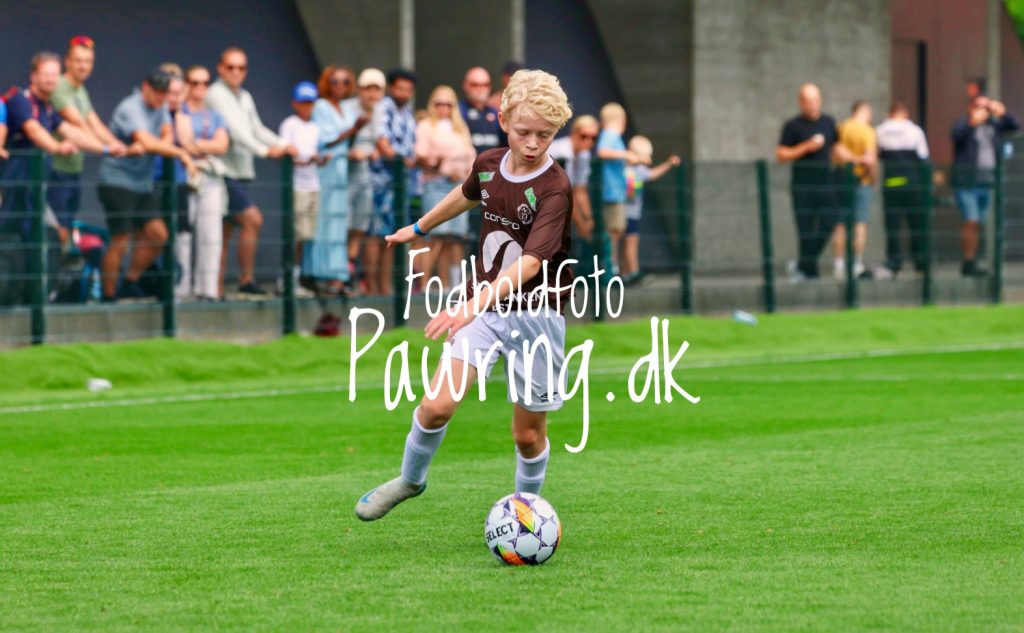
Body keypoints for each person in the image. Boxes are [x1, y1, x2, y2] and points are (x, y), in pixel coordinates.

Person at [355, 69, 575, 522]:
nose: (533, 144)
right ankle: (410, 480)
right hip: (484, 313)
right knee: (436, 406)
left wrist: (471, 303)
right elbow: (466, 193)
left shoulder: (555, 187)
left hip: (537, 316)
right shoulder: (489, 163)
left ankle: (525, 514)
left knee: (527, 436)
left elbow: (530, 263)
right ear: (503, 120)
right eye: (524, 132)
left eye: (545, 135)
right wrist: (419, 227)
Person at [0, 52, 107, 304]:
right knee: (13, 237)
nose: (50, 79)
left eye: (54, 75)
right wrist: (56, 147)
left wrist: (107, 148)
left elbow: (69, 131)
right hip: (14, 188)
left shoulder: (48, 108)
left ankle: (35, 297)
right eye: (45, 74)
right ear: (33, 75)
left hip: (36, 191)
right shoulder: (20, 100)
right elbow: (33, 130)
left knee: (48, 235)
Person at [98, 68, 197, 301]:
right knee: (121, 239)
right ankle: (108, 297)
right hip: (117, 182)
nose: (161, 97)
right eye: (157, 91)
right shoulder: (130, 108)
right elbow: (147, 141)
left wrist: (159, 144)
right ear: (145, 87)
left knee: (159, 234)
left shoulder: (161, 107)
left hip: (142, 185)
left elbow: (165, 133)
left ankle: (129, 282)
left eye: (164, 92)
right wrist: (180, 153)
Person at [206, 47, 297, 297]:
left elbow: (256, 128)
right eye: (231, 67)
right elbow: (236, 132)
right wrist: (264, 151)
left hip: (241, 171)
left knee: (224, 233)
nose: (236, 72)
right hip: (223, 171)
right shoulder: (215, 94)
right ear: (220, 68)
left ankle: (216, 290)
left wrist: (282, 144)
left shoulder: (244, 96)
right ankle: (243, 279)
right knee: (252, 220)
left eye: (241, 67)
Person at [776, 83, 859, 281]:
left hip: (825, 183)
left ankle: (802, 265)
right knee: (805, 229)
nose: (812, 104)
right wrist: (806, 147)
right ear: (801, 102)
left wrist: (857, 160)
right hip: (802, 185)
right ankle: (809, 272)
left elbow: (837, 147)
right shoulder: (792, 125)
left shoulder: (828, 122)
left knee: (830, 221)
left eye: (814, 100)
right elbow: (781, 154)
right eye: (808, 101)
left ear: (820, 101)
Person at [49, 35, 128, 232]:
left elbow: (95, 123)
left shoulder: (80, 89)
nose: (83, 66)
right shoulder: (59, 86)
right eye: (78, 61)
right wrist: (107, 148)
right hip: (56, 170)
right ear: (67, 62)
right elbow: (79, 123)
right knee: (58, 229)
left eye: (88, 61)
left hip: (74, 168)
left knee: (68, 226)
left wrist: (119, 146)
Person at [414, 85, 477, 290]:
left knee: (455, 238)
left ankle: (452, 285)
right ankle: (424, 285)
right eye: (438, 103)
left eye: (448, 104)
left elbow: (470, 154)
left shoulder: (460, 127)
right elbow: (421, 154)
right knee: (433, 235)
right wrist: (441, 165)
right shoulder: (426, 125)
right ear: (432, 105)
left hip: (460, 185)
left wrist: (467, 175)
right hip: (436, 184)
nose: (443, 107)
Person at [951, 94, 1020, 277]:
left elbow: (1015, 126)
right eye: (979, 106)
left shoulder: (993, 125)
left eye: (986, 107)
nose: (983, 111)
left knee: (978, 223)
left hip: (986, 181)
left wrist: (1002, 113)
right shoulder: (964, 123)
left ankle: (972, 260)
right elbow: (956, 135)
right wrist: (972, 122)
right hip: (967, 182)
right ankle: (968, 260)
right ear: (971, 107)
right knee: (971, 220)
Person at [177, 65, 230, 301]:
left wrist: (198, 145)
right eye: (195, 82)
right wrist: (203, 145)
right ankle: (181, 287)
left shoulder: (215, 115)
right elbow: (185, 141)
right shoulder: (180, 111)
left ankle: (207, 289)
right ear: (186, 85)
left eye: (205, 83)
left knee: (211, 236)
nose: (200, 87)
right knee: (183, 236)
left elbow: (222, 145)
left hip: (209, 178)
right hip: (184, 178)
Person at [311, 65, 364, 294]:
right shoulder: (321, 106)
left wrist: (355, 132)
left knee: (340, 223)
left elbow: (347, 142)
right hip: (327, 169)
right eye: (335, 81)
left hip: (343, 171)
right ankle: (321, 273)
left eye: (345, 81)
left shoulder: (345, 108)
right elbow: (327, 141)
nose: (340, 86)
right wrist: (353, 130)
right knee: (325, 221)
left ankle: (337, 275)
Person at [366, 68, 417, 296]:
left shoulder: (407, 112)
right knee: (375, 233)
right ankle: (372, 287)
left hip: (402, 182)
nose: (403, 93)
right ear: (391, 88)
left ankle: (385, 287)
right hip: (382, 180)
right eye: (400, 88)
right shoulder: (383, 107)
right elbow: (381, 141)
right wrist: (399, 160)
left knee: (392, 234)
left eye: (408, 89)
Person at [279, 81, 326, 297]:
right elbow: (287, 155)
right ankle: (285, 280)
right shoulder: (289, 124)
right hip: (296, 186)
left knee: (306, 236)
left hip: (313, 185)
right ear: (294, 103)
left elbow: (313, 155)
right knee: (294, 235)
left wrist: (319, 160)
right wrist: (308, 159)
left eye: (310, 102)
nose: (307, 107)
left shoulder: (315, 127)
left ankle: (295, 279)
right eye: (303, 102)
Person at [876, 101, 930, 278]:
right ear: (905, 113)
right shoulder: (915, 131)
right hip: (913, 184)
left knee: (892, 225)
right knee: (916, 224)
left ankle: (894, 262)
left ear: (890, 113)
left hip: (892, 184)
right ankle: (920, 264)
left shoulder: (881, 130)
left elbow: (877, 154)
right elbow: (923, 158)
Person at [345, 68, 385, 291]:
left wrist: (373, 151)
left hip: (367, 177)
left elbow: (378, 141)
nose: (372, 94)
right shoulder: (347, 109)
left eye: (376, 89)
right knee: (343, 224)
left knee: (360, 225)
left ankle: (349, 268)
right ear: (359, 90)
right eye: (368, 88)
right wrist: (352, 152)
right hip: (344, 177)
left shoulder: (381, 111)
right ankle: (339, 272)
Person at [622, 135, 680, 285]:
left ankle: (627, 272)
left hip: (632, 213)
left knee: (629, 242)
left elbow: (651, 174)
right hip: (625, 213)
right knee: (629, 243)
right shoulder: (626, 167)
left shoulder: (637, 170)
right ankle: (632, 272)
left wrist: (668, 164)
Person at [832, 101, 878, 280]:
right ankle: (856, 264)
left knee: (840, 224)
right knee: (860, 223)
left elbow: (835, 150)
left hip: (840, 178)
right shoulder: (867, 131)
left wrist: (849, 158)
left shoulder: (841, 127)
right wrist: (872, 178)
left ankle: (839, 265)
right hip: (861, 181)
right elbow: (870, 160)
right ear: (864, 112)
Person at [596, 102, 636, 275]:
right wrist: (627, 154)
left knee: (617, 228)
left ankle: (612, 265)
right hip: (612, 192)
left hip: (616, 191)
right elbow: (603, 152)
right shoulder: (610, 135)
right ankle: (610, 267)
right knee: (614, 229)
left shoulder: (612, 137)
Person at [547, 114, 598, 240]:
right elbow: (567, 194)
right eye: (584, 136)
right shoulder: (562, 154)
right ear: (574, 133)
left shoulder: (584, 154)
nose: (588, 141)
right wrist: (582, 226)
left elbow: (580, 189)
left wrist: (588, 218)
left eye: (593, 138)